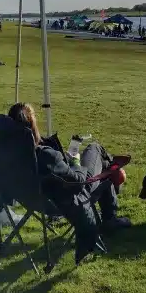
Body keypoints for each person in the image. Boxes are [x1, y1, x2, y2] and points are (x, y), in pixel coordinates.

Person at [8, 103, 130, 263]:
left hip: (36, 200)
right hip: (73, 196)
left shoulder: (9, 155)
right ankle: (110, 215)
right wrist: (75, 162)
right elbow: (78, 180)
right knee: (95, 149)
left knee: (103, 167)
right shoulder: (45, 155)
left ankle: (110, 200)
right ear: (32, 125)